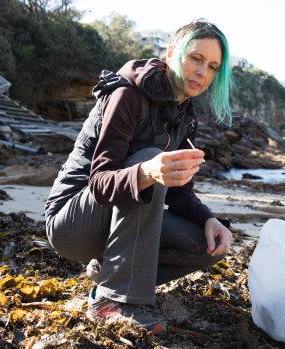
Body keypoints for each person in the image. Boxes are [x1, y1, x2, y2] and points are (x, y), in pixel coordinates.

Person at [45, 19, 234, 334]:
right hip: (72, 222)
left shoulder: (185, 117)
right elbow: (101, 182)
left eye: (213, 66)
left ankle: (109, 276)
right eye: (196, 58)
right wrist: (148, 170)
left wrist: (208, 219)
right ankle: (116, 301)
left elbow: (179, 192)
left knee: (207, 243)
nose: (203, 72)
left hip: (117, 226)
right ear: (171, 53)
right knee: (149, 158)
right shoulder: (127, 93)